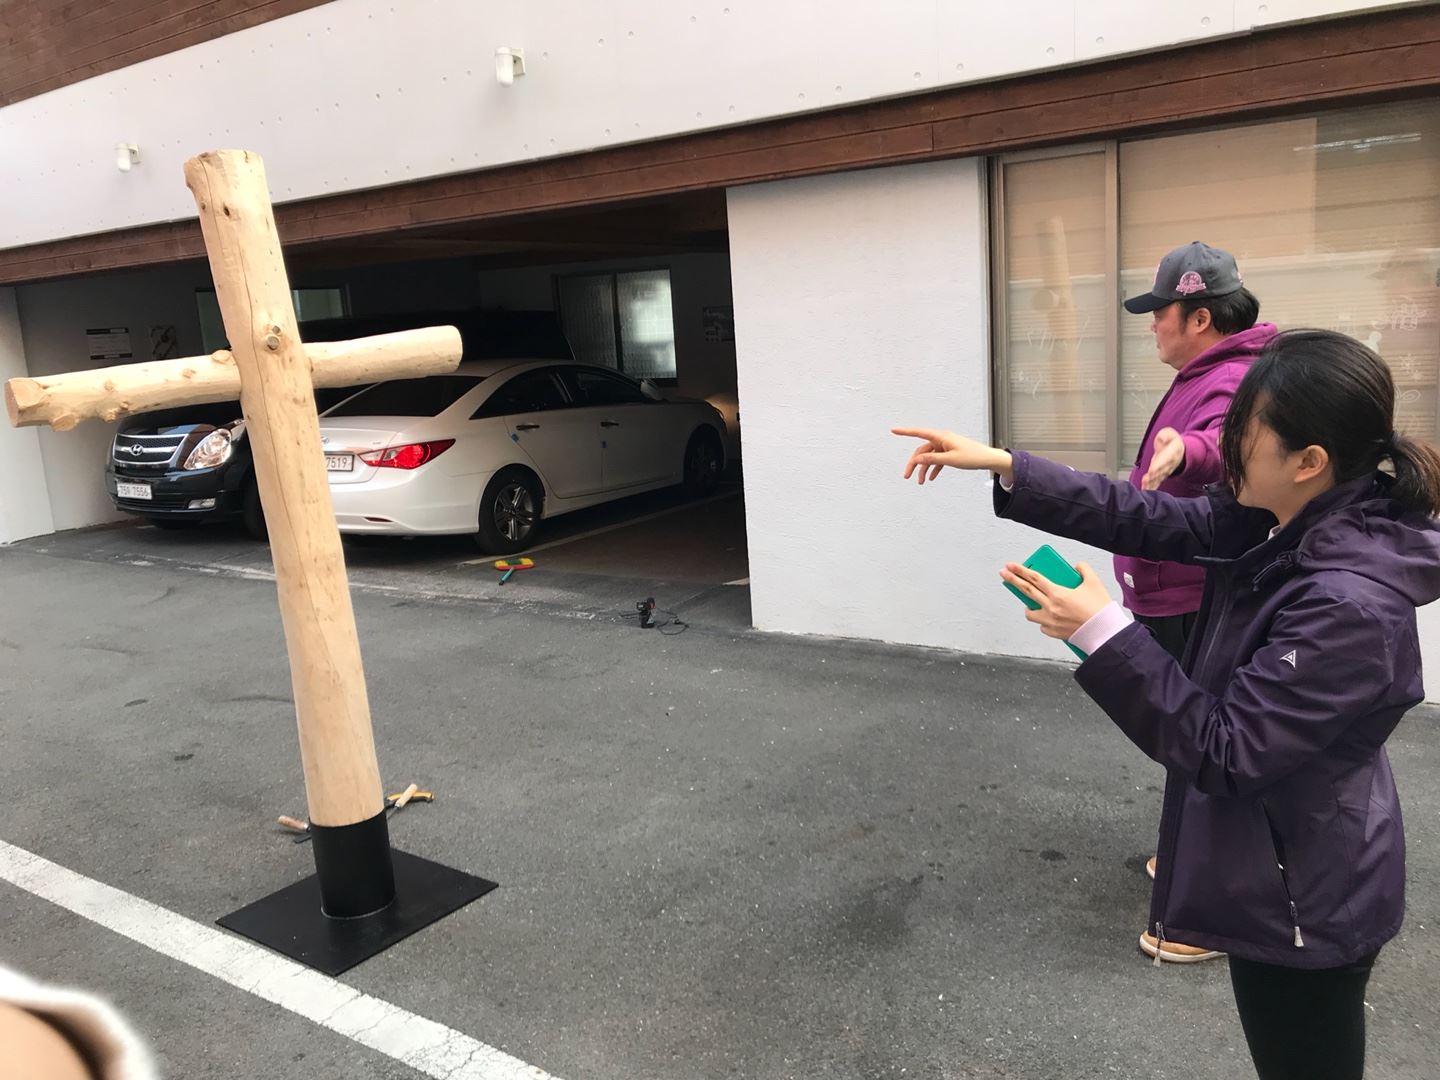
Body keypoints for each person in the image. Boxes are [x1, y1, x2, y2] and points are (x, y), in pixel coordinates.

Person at [894, 329, 1440, 1080]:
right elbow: (1151, 516)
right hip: (1288, 861)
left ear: (1308, 461)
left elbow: (1227, 749)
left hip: (1305, 893)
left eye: (1243, 432)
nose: (1226, 447)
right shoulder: (1296, 520)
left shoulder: (1346, 604)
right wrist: (1008, 466)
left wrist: (1101, 630)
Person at [1118, 241, 1276, 963]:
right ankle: (1190, 853)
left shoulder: (1232, 377)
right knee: (1187, 736)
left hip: (1193, 591)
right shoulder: (1206, 370)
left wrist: (1188, 451)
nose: (1153, 324)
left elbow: (1219, 445)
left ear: (1200, 316)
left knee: (1203, 738)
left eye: (1162, 312)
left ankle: (1214, 907)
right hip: (1176, 588)